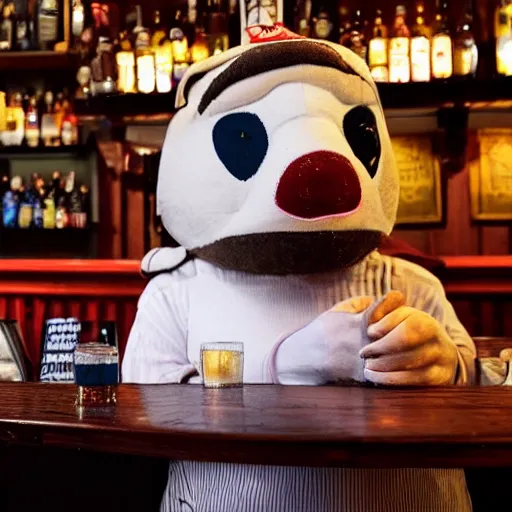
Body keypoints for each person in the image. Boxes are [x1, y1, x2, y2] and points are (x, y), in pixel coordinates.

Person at [122, 23, 475, 512]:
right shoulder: (174, 291)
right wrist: (285, 367)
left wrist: (449, 366)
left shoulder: (412, 285)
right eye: (244, 137)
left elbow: (478, 385)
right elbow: (144, 411)